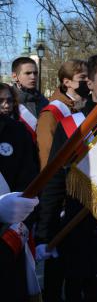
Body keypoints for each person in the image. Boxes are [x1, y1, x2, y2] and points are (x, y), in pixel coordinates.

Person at [36, 54, 97, 301]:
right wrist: (44, 233)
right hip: (78, 225)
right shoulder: (72, 125)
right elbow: (55, 180)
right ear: (90, 83)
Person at [35, 59, 88, 301]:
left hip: (82, 192)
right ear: (67, 82)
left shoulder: (81, 107)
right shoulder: (53, 113)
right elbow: (49, 161)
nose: (86, 83)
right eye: (82, 79)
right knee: (57, 271)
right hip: (62, 194)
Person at [0, 83, 40, 300]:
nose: (5, 105)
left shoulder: (17, 131)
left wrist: (22, 218)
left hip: (9, 234)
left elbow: (29, 178)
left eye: (8, 100)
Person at [11, 57, 49, 126]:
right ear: (15, 76)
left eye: (35, 73)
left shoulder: (44, 101)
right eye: (28, 73)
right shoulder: (8, 101)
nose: (33, 77)